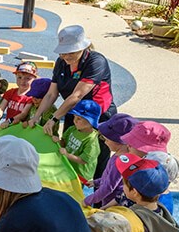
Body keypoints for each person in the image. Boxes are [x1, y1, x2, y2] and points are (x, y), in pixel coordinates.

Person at [29, 25, 117, 175]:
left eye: (71, 52)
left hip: (98, 117)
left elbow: (77, 95)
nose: (66, 56)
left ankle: (99, 193)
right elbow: (51, 94)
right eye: (63, 52)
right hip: (74, 114)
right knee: (70, 152)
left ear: (82, 47)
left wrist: (54, 119)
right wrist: (36, 117)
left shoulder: (96, 61)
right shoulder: (61, 63)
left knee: (95, 159)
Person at [115, 154, 179, 232]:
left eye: (124, 184)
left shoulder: (134, 220)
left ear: (134, 192)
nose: (122, 187)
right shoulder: (160, 214)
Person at [83, 113, 137, 208]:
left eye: (107, 139)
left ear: (119, 141)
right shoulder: (126, 157)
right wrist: (96, 182)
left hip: (113, 205)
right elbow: (112, 178)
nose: (104, 142)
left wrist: (88, 200)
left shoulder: (119, 161)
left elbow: (109, 187)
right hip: (117, 201)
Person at [53, 99, 101, 183]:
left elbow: (83, 160)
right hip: (69, 167)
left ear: (91, 121)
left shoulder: (91, 140)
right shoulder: (72, 129)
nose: (75, 120)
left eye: (79, 118)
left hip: (81, 175)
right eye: (74, 117)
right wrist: (58, 141)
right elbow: (64, 142)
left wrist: (66, 154)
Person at [0, 62, 37, 129]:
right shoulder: (10, 92)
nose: (22, 81)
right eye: (19, 77)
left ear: (34, 79)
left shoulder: (31, 96)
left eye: (27, 78)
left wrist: (9, 121)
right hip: (8, 126)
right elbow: (0, 108)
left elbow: (23, 114)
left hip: (21, 128)